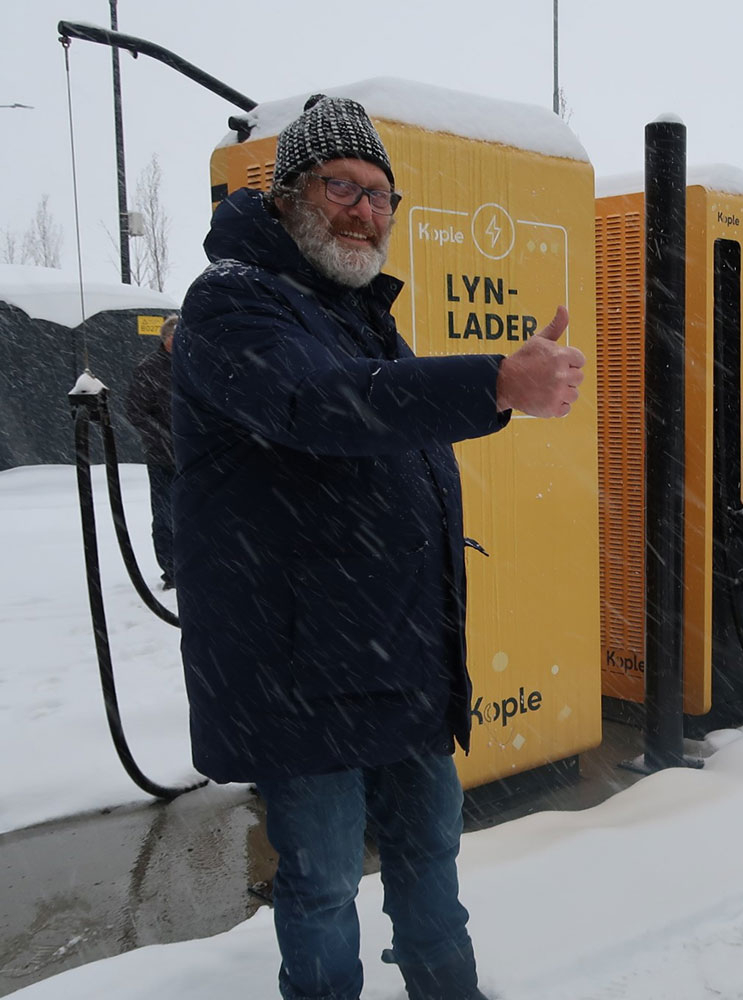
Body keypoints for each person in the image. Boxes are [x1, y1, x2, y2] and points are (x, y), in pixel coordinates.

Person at [172, 94, 585, 1000]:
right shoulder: (231, 306)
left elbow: (379, 421)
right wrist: (494, 382)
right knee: (321, 886)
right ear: (287, 195)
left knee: (431, 864)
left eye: (381, 197)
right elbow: (319, 406)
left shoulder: (358, 312)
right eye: (343, 188)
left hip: (395, 654)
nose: (367, 212)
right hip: (299, 672)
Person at [124, 314, 178, 589]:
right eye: (176, 337)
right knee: (166, 514)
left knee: (194, 513)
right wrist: (165, 438)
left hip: (193, 457)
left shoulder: (193, 364)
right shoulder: (149, 369)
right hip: (163, 458)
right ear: (166, 339)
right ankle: (171, 570)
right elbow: (136, 411)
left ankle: (197, 565)